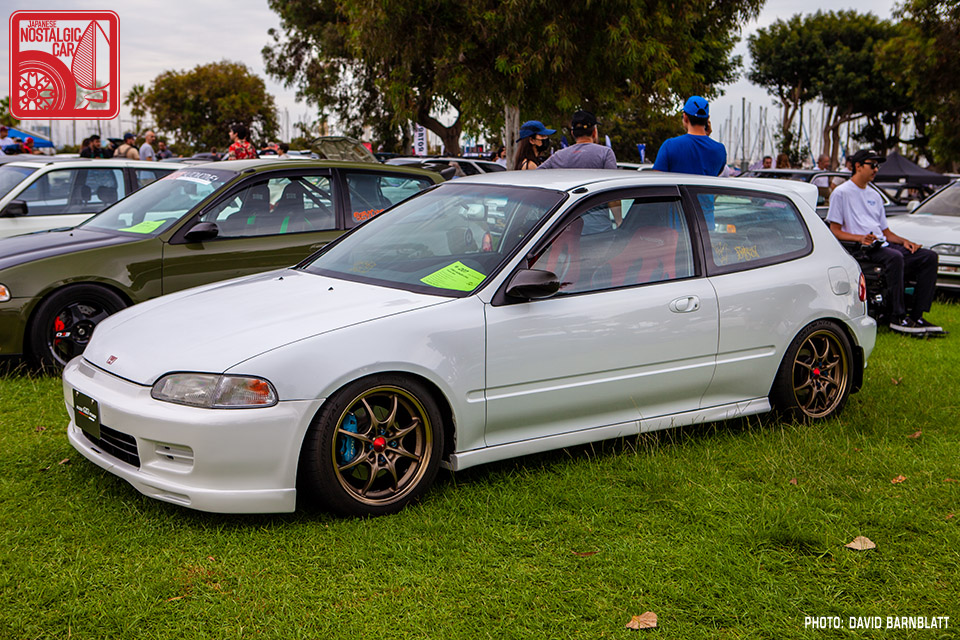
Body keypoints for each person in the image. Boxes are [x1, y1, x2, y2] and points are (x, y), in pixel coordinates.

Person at [826, 149, 941, 335]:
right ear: (858, 166)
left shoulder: (875, 195)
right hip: (861, 248)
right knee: (895, 258)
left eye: (877, 166)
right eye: (872, 165)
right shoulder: (841, 193)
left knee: (928, 257)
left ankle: (917, 316)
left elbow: (885, 232)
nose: (876, 169)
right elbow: (835, 231)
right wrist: (860, 238)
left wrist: (905, 242)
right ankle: (897, 317)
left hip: (881, 245)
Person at [652, 96, 726, 176]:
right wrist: (706, 137)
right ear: (707, 118)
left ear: (685, 117)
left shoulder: (669, 146)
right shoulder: (720, 150)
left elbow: (657, 178)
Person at [537, 110, 616, 170]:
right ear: (594, 132)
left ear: (572, 133)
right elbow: (612, 182)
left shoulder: (558, 156)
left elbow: (536, 175)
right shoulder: (606, 153)